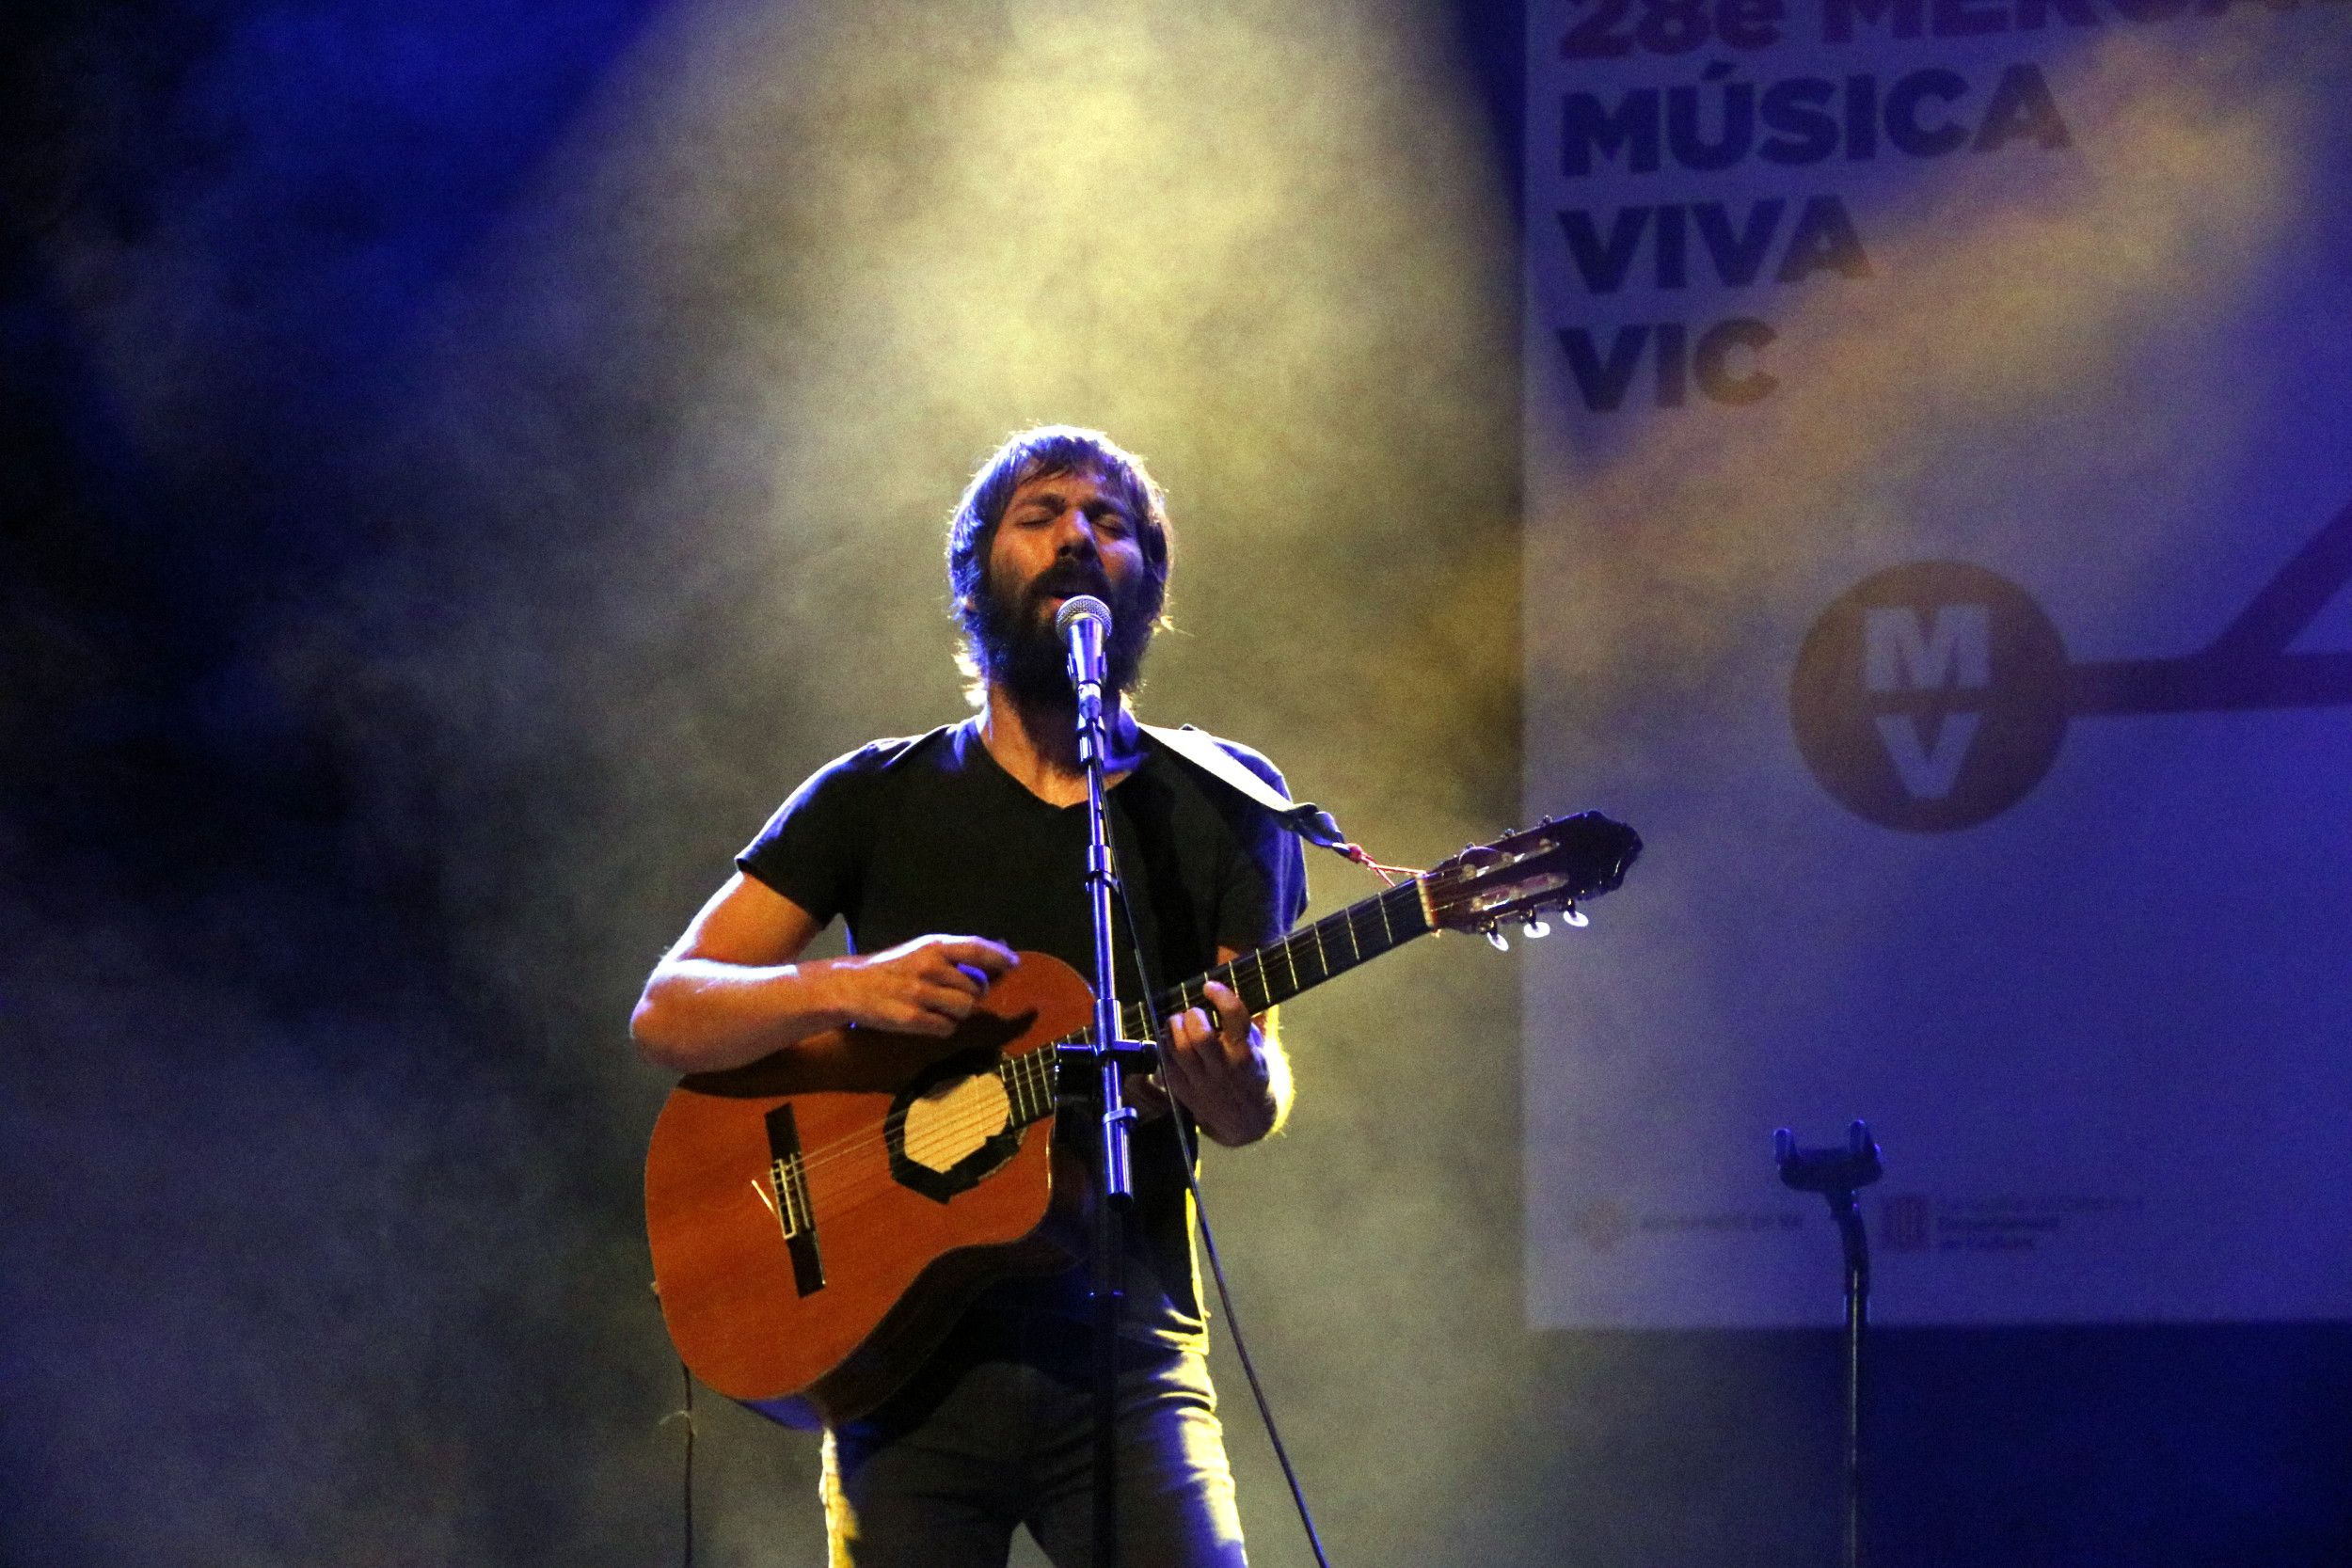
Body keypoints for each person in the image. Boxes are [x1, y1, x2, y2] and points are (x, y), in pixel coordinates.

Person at [630, 425, 1309, 1568]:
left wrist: (1239, 1085)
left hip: (1127, 1356)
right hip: (901, 1372)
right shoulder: (873, 794)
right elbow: (670, 1008)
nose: (1079, 538)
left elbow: (1244, 1101)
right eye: (1041, 515)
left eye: (1111, 523)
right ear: (975, 569)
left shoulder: (1226, 800)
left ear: (1144, 579)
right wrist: (853, 983)